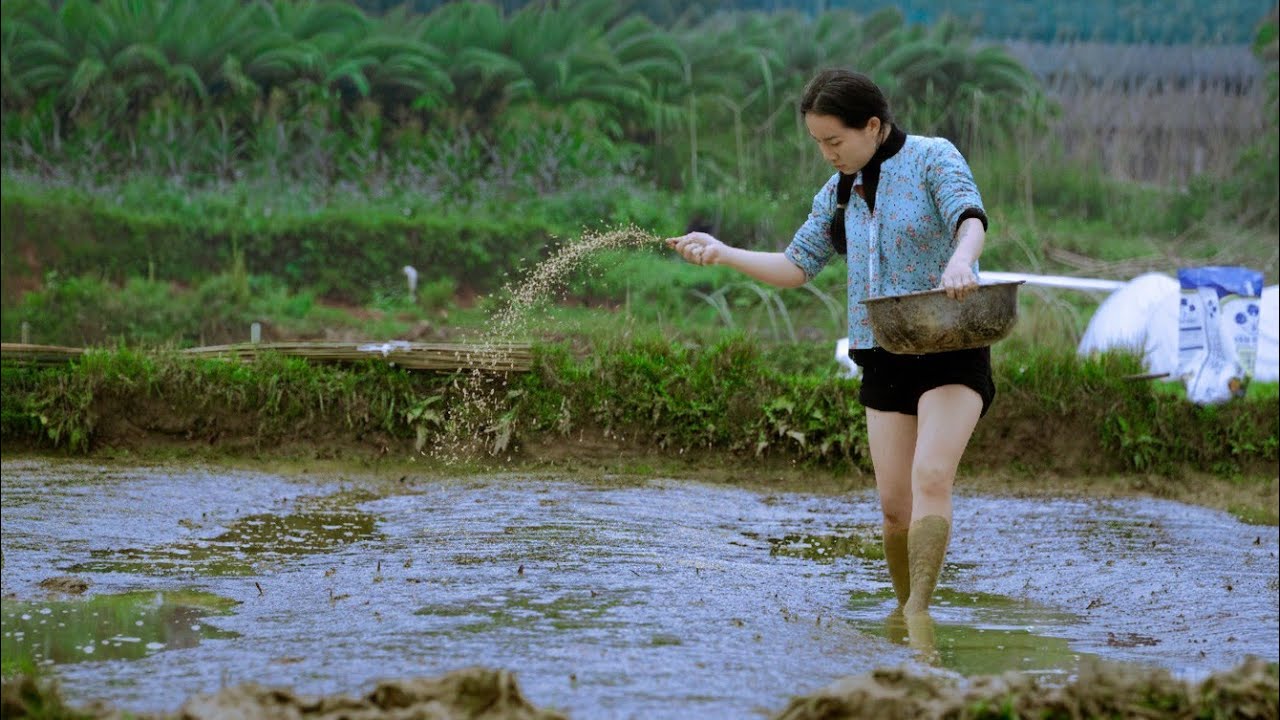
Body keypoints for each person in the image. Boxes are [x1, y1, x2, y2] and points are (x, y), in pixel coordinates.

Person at [666, 68, 993, 627]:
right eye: (818, 142)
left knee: (932, 477)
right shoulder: (840, 192)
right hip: (883, 352)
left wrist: (962, 259)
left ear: (872, 125)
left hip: (951, 343)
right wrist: (722, 252)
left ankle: (919, 617)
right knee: (894, 510)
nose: (826, 153)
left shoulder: (934, 157)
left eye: (834, 141)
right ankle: (902, 607)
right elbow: (796, 266)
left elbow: (969, 216)